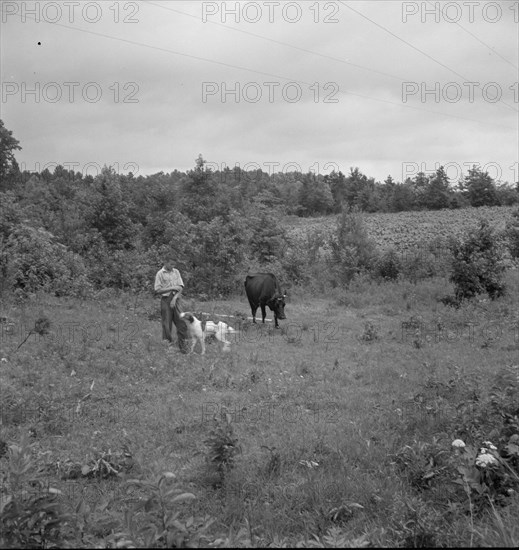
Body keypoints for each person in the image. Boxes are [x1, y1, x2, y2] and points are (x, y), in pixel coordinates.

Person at [154, 258, 189, 352]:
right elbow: (157, 290)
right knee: (166, 324)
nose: (172, 266)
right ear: (165, 262)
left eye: (174, 265)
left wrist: (174, 298)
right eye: (171, 264)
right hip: (165, 300)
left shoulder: (176, 272)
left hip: (176, 299)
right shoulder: (160, 273)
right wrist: (172, 288)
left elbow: (180, 287)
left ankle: (184, 347)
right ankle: (168, 348)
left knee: (182, 323)